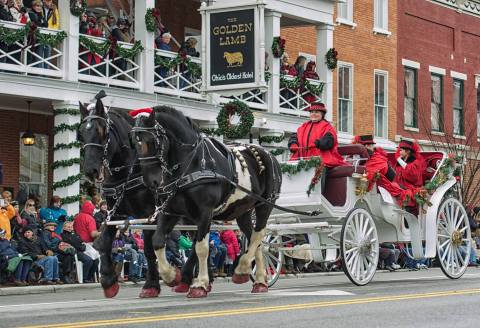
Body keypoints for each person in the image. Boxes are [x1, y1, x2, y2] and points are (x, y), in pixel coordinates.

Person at [288, 102, 347, 168]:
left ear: (322, 114)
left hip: (320, 160)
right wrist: (293, 143)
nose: (313, 114)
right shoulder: (303, 126)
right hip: (302, 160)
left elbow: (329, 140)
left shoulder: (327, 126)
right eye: (312, 112)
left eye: (316, 112)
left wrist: (319, 143)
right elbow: (294, 136)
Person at [28, 0, 48, 68]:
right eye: (37, 6)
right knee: (30, 55)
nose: (39, 8)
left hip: (38, 38)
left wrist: (41, 18)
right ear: (33, 7)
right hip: (31, 38)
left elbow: (46, 24)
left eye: (40, 6)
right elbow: (36, 23)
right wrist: (41, 23)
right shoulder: (31, 13)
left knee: (37, 55)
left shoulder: (41, 15)